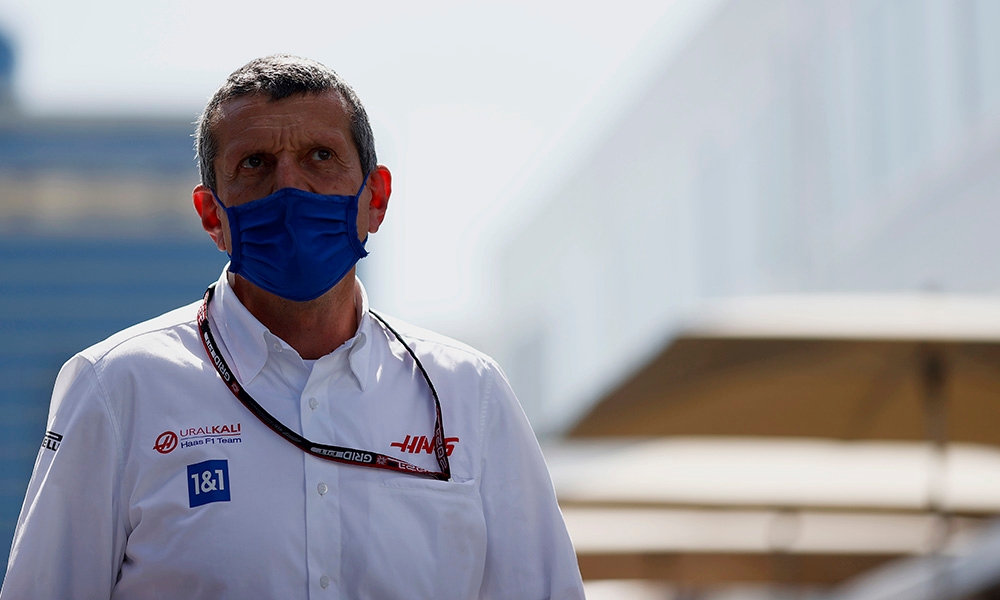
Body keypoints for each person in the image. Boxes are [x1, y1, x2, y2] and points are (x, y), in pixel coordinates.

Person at [1, 55, 585, 599]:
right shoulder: (115, 387)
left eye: (320, 157)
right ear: (211, 215)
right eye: (255, 164)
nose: (289, 187)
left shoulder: (468, 394)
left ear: (376, 198)